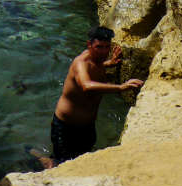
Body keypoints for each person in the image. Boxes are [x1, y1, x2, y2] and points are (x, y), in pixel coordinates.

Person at [50, 27, 144, 163]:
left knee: (84, 160)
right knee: (62, 164)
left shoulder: (98, 61)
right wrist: (121, 87)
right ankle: (42, 160)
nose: (103, 51)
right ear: (89, 45)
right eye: (99, 47)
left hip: (87, 126)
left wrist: (109, 63)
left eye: (107, 47)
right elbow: (86, 85)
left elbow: (95, 66)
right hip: (66, 127)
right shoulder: (80, 63)